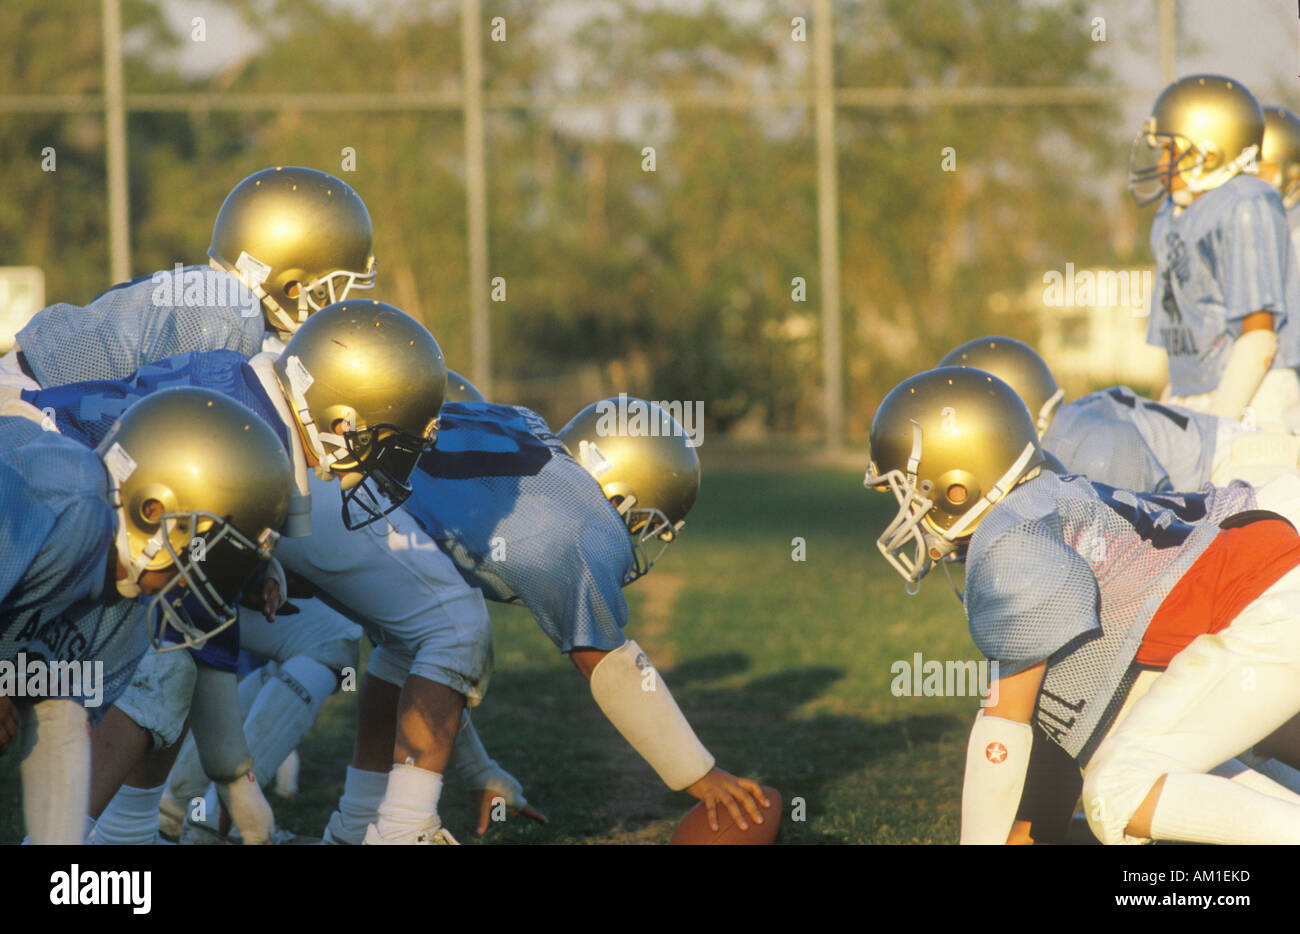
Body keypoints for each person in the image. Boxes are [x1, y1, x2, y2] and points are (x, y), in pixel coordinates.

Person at [867, 366, 1300, 845]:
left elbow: (1004, 720)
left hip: (1268, 597)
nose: (905, 512)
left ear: (956, 484)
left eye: (907, 491)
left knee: (1116, 789)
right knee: (1144, 766)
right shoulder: (1043, 501)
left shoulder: (1007, 537)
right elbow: (1063, 727)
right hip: (1268, 579)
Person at [0, 387, 292, 844]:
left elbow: (59, 722)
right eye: (213, 554)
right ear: (153, 509)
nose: (216, 579)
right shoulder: (69, 504)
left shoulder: (130, 610)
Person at [1129, 74, 1300, 430]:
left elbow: (1258, 336)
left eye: (1170, 149)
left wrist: (1213, 431)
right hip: (1199, 392)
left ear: (1210, 152)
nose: (1161, 163)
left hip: (1251, 399)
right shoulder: (1175, 213)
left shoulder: (1246, 202)